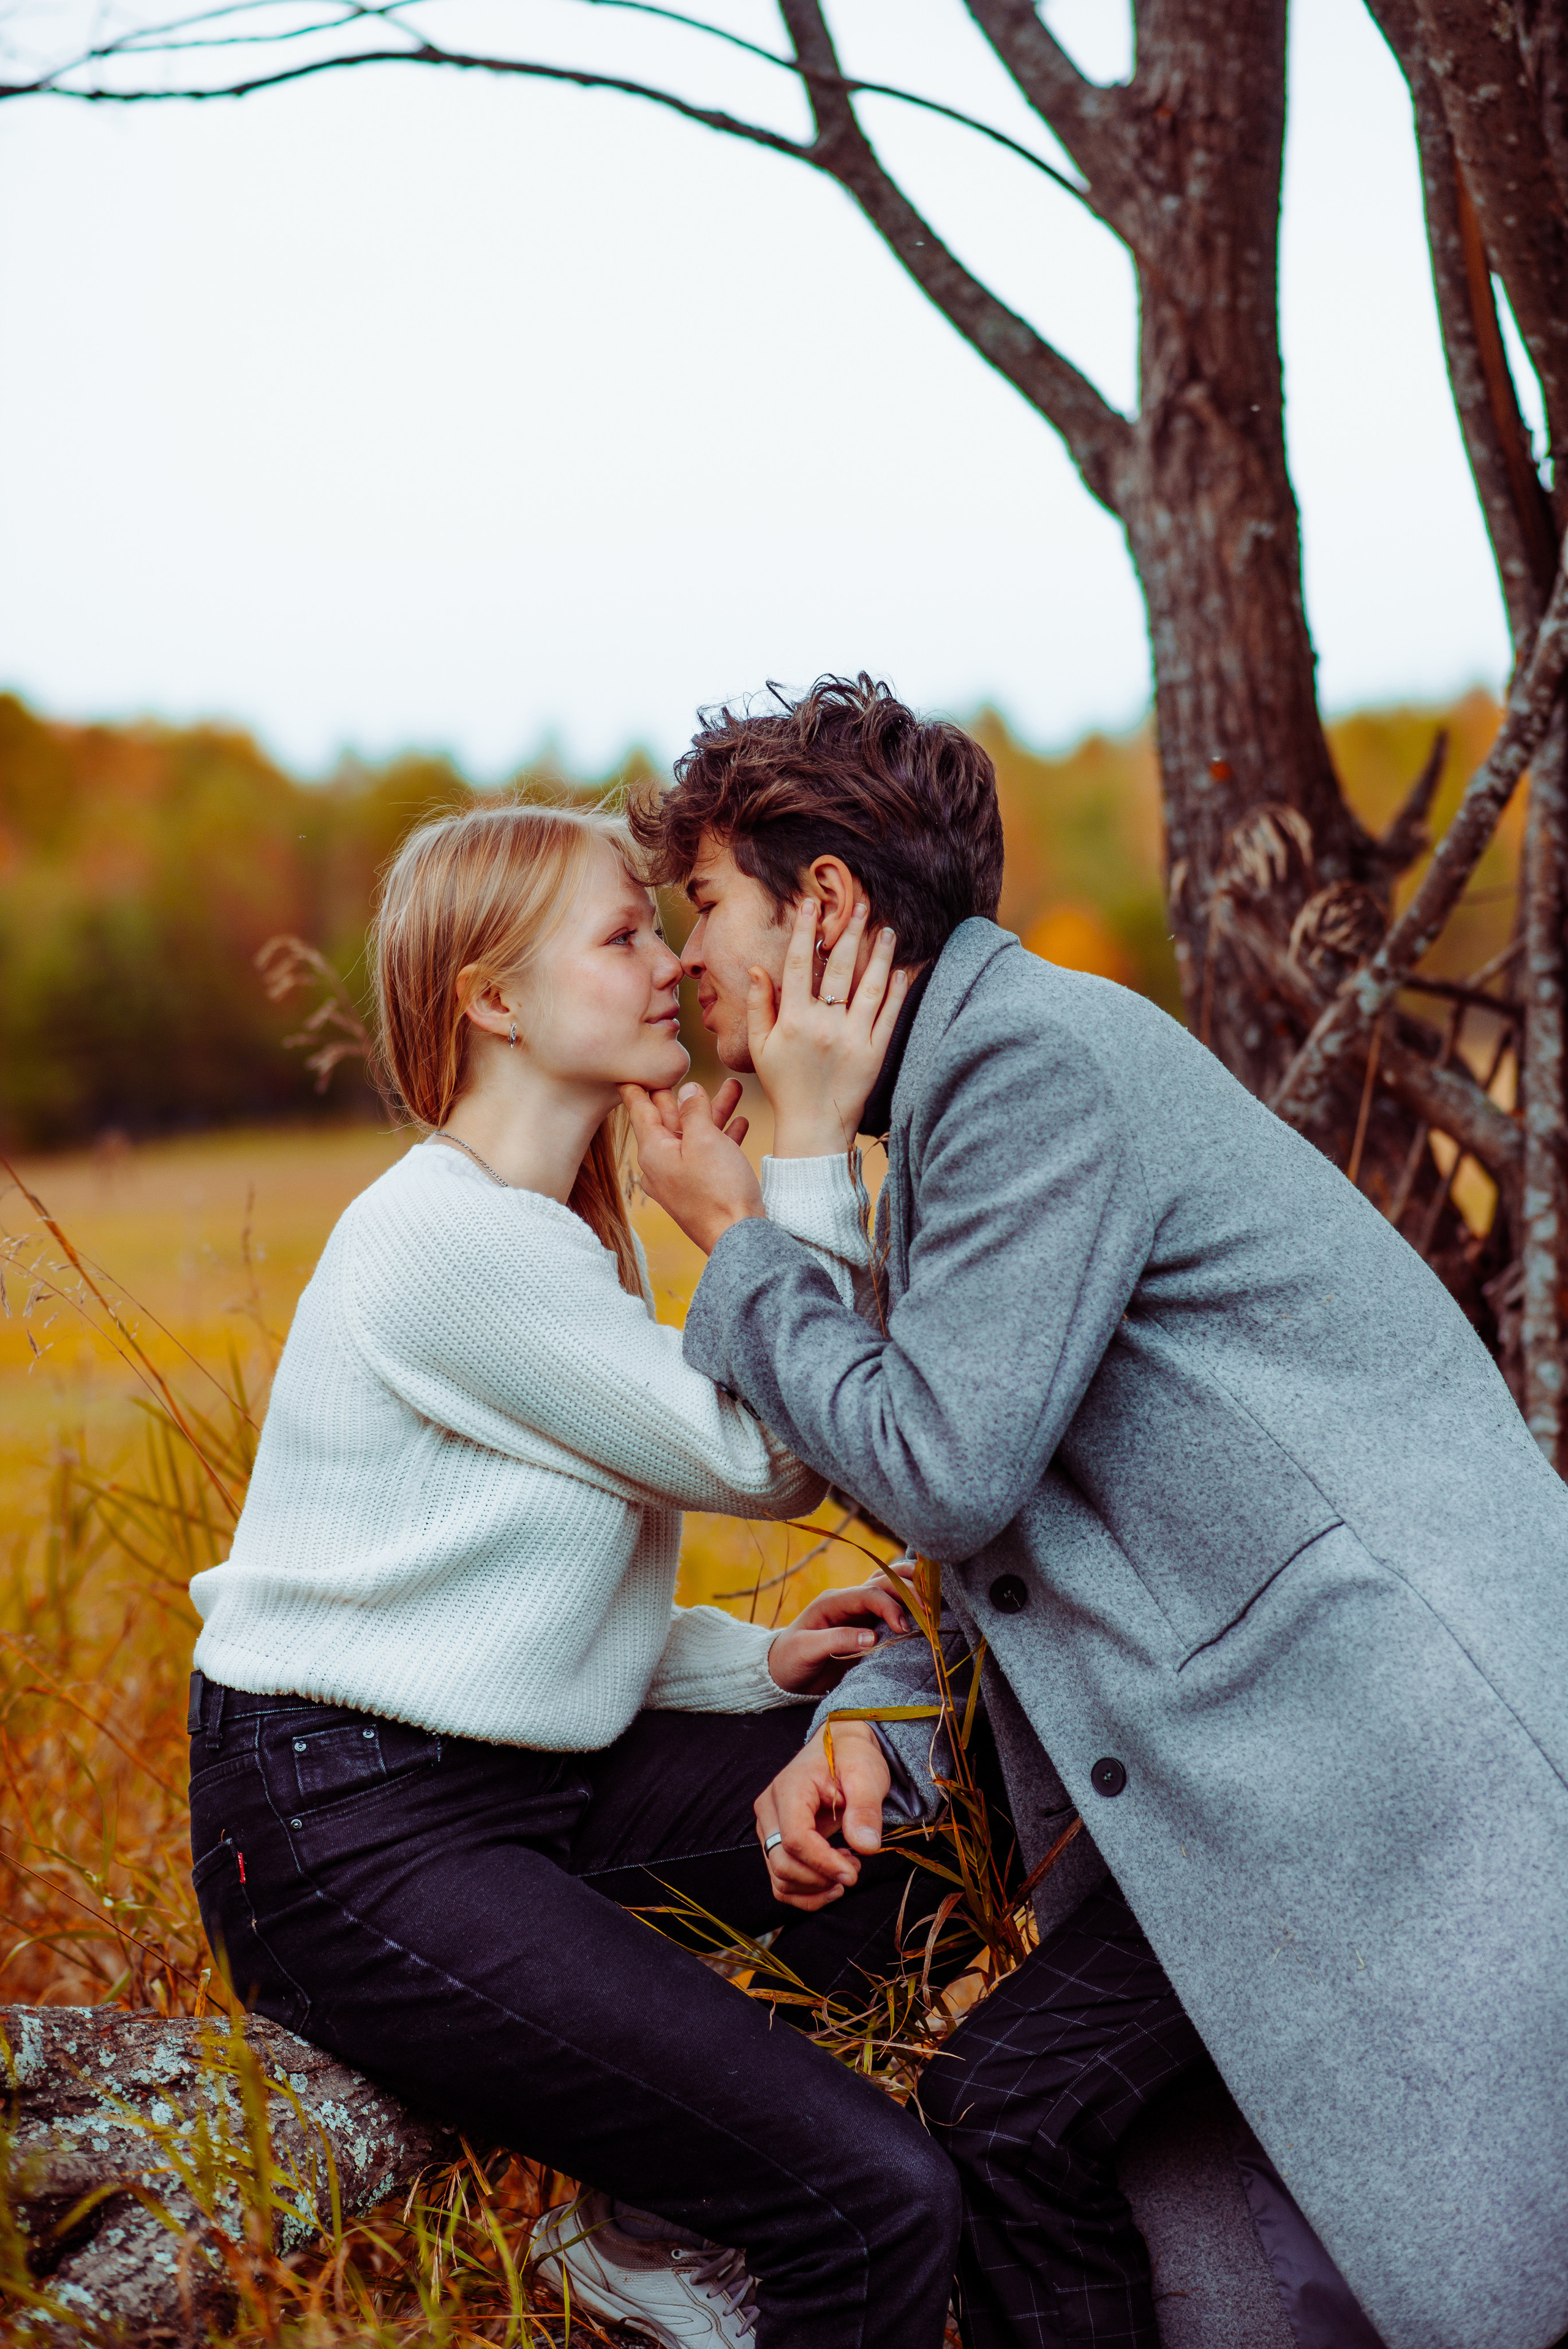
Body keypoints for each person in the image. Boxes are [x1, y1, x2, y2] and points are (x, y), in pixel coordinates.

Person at [622, 673, 1568, 2349]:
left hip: (1365, 1756)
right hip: (1293, 1749)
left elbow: (944, 1466)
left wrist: (749, 1236)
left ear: (822, 903)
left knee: (1008, 2112)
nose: (690, 958)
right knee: (1023, 2112)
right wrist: (883, 1715)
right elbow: (1013, 1525)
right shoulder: (974, 1085)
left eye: (705, 903)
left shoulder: (1026, 1070)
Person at [184, 798, 962, 2349]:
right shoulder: (451, 1240)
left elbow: (485, 1609)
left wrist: (750, 1662)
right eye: (621, 936)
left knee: (930, 1811)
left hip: (510, 1787)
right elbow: (772, 1459)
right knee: (878, 2205)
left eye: (659, 929)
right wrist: (803, 1153)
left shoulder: (557, 1233)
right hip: (348, 1834)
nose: (670, 962)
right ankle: (702, 2207)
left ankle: (644, 2217)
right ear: (492, 999)